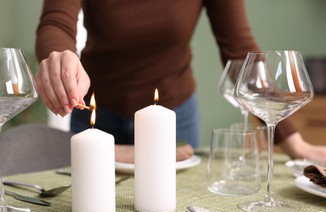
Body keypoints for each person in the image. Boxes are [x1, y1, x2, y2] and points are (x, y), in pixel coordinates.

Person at [34, 0, 326, 164]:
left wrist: (292, 141)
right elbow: (56, 23)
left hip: (174, 119)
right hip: (96, 116)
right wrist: (60, 56)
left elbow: (240, 52)